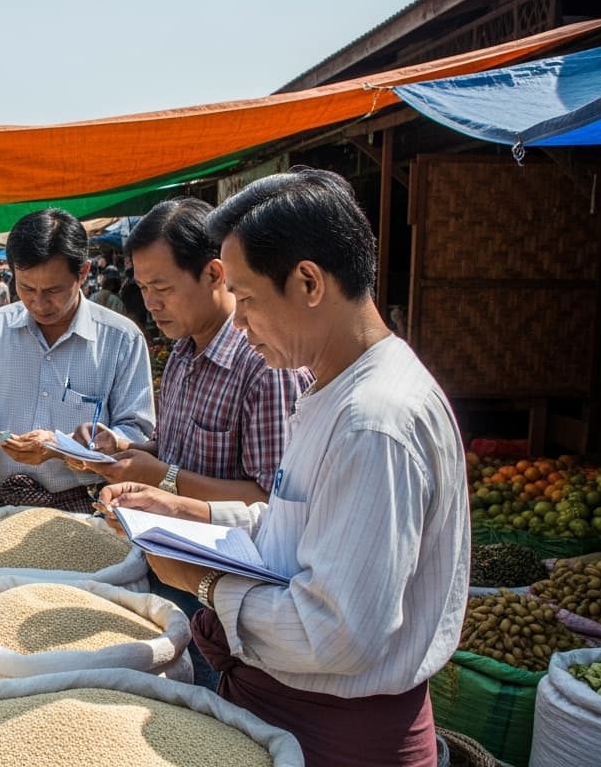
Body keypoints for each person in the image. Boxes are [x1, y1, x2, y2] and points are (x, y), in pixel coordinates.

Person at [101, 169, 468, 767]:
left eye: (246, 300)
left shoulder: (374, 421)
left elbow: (336, 631)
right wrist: (181, 508)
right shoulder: (330, 388)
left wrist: (200, 580)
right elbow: (292, 521)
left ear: (307, 282)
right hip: (283, 709)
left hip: (340, 737)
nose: (240, 323)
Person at [70, 198, 310, 505]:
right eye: (143, 288)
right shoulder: (182, 354)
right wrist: (119, 447)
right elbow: (171, 452)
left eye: (163, 288)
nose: (151, 304)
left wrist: (162, 478)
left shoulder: (266, 366)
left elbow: (273, 503)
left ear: (213, 274)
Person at [0, 208, 155, 513]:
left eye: (54, 290)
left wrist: (63, 448)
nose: (39, 302)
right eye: (27, 288)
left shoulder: (121, 339)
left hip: (85, 503)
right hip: (1, 499)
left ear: (83, 274)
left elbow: (136, 433)